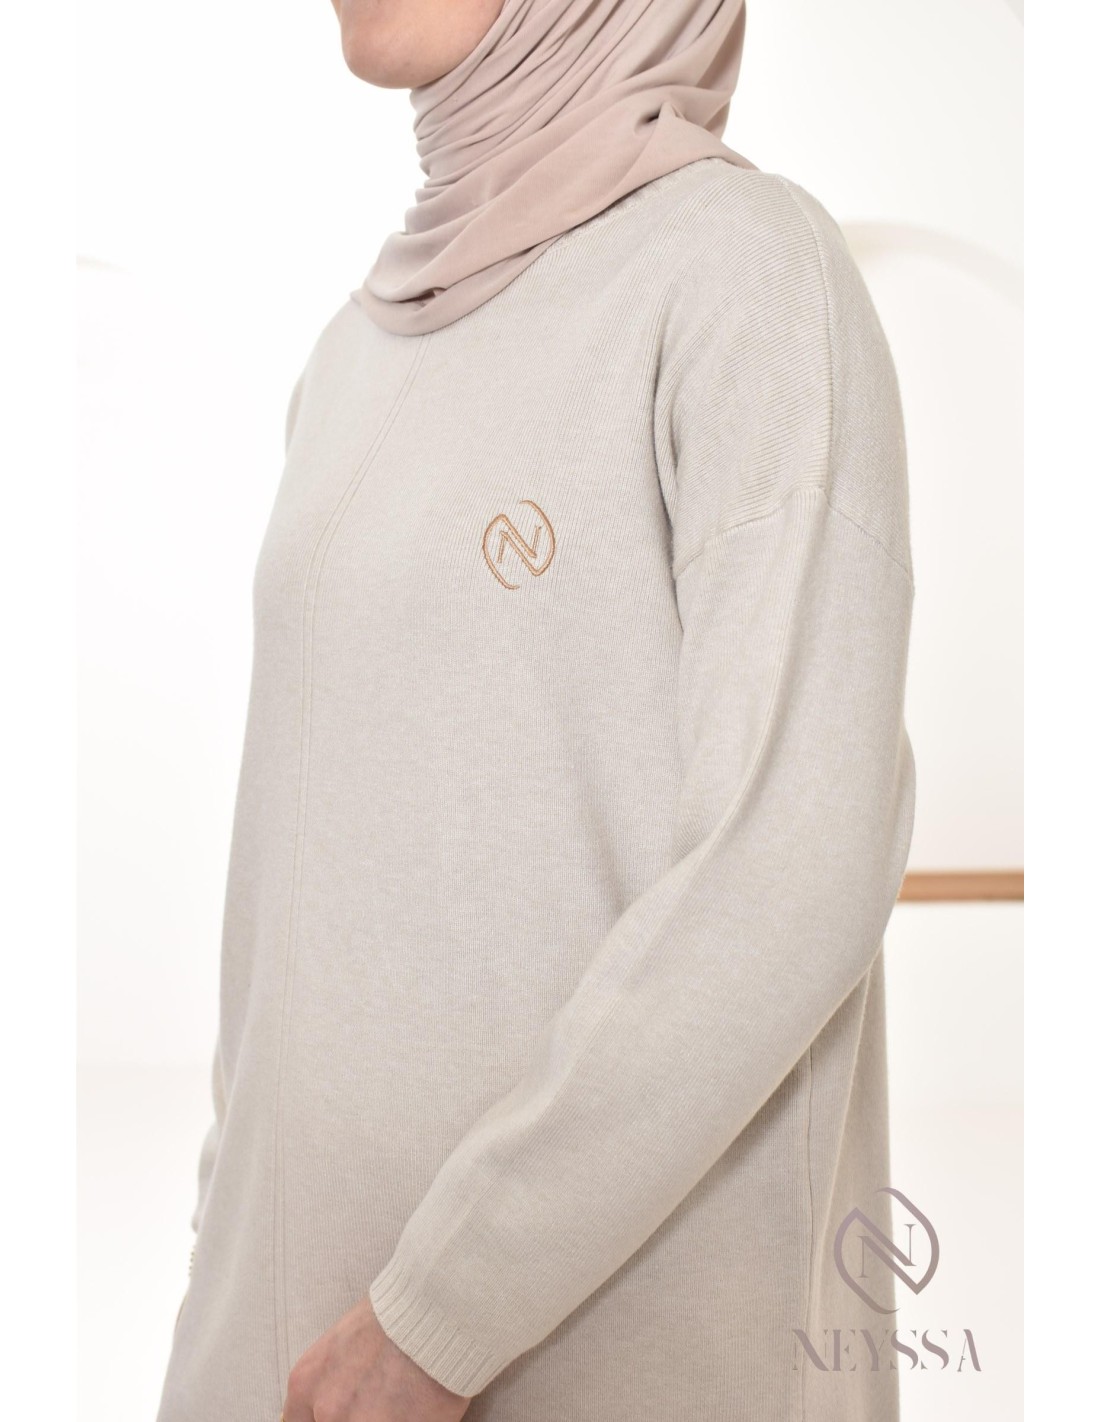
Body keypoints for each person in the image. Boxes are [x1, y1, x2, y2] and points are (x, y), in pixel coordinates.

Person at [155, 1, 917, 1419]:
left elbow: (794, 864)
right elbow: (289, 905)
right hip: (279, 1358)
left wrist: (437, 1317)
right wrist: (220, 1279)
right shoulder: (350, 353)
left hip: (576, 1365)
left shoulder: (744, 272)